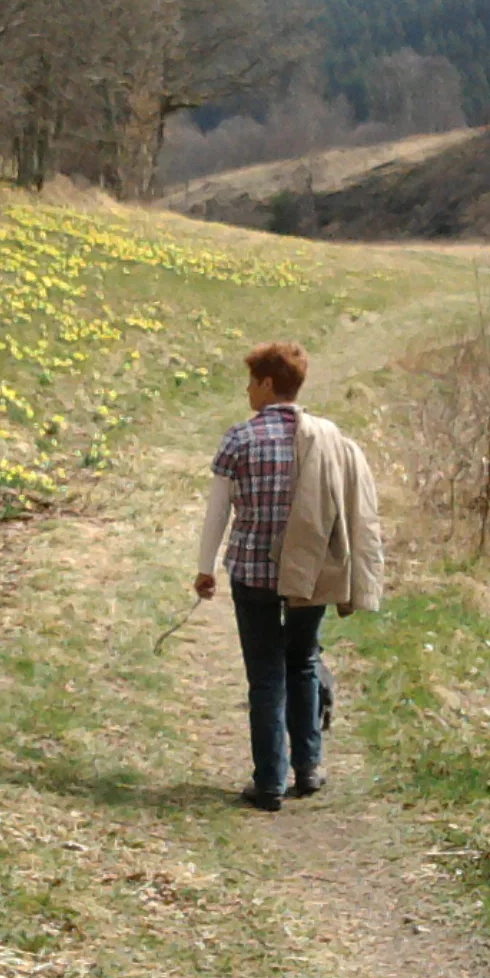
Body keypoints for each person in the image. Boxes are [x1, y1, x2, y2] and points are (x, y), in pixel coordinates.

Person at [195, 341, 384, 811]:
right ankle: (310, 768)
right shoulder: (327, 439)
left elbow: (218, 512)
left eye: (251, 381)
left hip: (253, 573)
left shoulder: (239, 440)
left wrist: (205, 568)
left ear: (266, 384)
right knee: (301, 662)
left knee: (265, 677)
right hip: (310, 574)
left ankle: (269, 781)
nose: (247, 390)